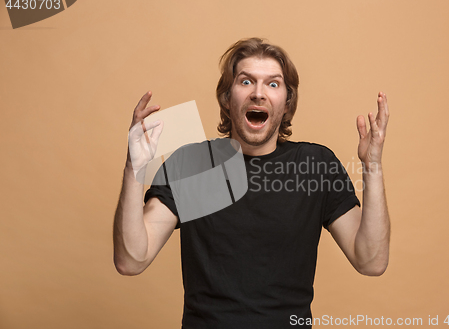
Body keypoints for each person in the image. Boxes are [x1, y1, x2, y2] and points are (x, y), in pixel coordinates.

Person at [113, 37, 390, 328]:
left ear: (286, 103)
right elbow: (132, 260)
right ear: (226, 98)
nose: (258, 93)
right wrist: (135, 168)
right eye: (246, 82)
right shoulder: (192, 164)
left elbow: (370, 261)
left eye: (273, 84)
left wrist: (372, 167)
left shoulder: (315, 165)